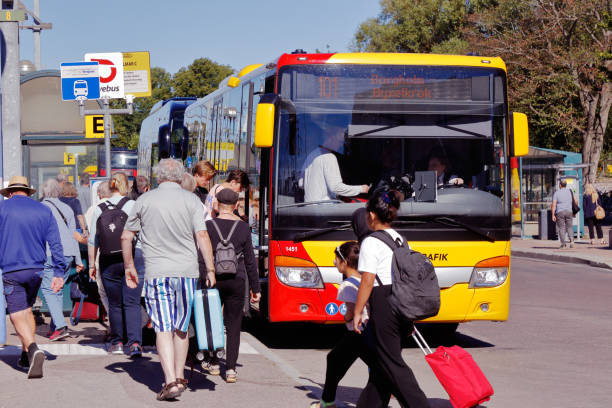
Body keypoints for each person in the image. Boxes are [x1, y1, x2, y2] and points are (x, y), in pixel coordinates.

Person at [121, 158, 216, 401]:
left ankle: (171, 380)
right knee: (181, 327)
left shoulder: (144, 200)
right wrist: (210, 269)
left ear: (158, 176)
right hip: (186, 272)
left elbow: (126, 236)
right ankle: (180, 375)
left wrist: (129, 266)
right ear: (180, 175)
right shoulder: (192, 200)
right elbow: (202, 235)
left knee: (162, 328)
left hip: (157, 272)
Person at [353, 190, 429, 408]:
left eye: (367, 212)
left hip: (383, 301)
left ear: (373, 216)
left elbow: (367, 280)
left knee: (393, 365)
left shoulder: (370, 242)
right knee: (382, 365)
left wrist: (358, 311)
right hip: (402, 301)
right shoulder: (401, 240)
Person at [0, 176, 66, 378]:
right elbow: (55, 243)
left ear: (10, 193)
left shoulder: (2, 209)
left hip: (12, 269)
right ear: (28, 192)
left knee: (16, 314)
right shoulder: (44, 210)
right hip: (37, 269)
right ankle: (24, 356)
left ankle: (32, 348)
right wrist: (59, 272)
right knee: (28, 309)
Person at [204, 188, 261, 383]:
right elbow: (250, 262)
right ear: (236, 206)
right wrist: (256, 289)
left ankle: (212, 361)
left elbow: (202, 257)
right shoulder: (244, 228)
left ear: (216, 204)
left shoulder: (208, 226)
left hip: (213, 279)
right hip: (237, 280)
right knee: (234, 323)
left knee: (212, 321)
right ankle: (230, 370)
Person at [88, 172, 144, 357]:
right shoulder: (132, 205)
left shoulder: (99, 208)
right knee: (132, 302)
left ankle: (117, 342)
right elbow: (141, 234)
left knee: (114, 303)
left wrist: (91, 265)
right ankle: (135, 344)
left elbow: (93, 240)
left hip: (107, 259)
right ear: (126, 186)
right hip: (133, 257)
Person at [310, 241, 371, 408]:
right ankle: (327, 401)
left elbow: (351, 312)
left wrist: (345, 317)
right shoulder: (364, 281)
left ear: (344, 262)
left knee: (335, 360)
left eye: (336, 259)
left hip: (357, 333)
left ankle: (327, 402)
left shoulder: (347, 285)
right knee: (336, 360)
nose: (334, 262)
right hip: (366, 332)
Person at [40, 179, 85, 341]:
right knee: (57, 289)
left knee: (48, 289)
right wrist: (78, 259)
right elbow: (74, 235)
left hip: (50, 252)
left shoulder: (41, 207)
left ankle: (60, 326)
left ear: (43, 192)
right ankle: (55, 329)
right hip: (68, 254)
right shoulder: (66, 208)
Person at [301, 122, 369, 202]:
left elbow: (301, 183)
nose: (341, 145)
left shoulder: (312, 155)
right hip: (323, 209)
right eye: (340, 141)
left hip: (308, 208)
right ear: (331, 137)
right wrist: (361, 188)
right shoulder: (329, 157)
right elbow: (335, 187)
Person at [85, 181, 111, 318]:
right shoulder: (122, 205)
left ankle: (114, 324)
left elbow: (91, 238)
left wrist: (91, 265)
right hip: (121, 254)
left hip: (101, 256)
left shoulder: (94, 209)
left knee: (103, 291)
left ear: (99, 194)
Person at [551, 179, 578, 249]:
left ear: (560, 185)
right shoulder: (570, 192)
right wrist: (574, 212)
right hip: (569, 211)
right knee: (569, 226)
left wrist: (553, 215)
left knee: (561, 228)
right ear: (566, 185)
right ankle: (572, 241)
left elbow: (553, 205)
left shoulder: (556, 193)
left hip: (560, 212)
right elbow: (576, 201)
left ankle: (563, 244)